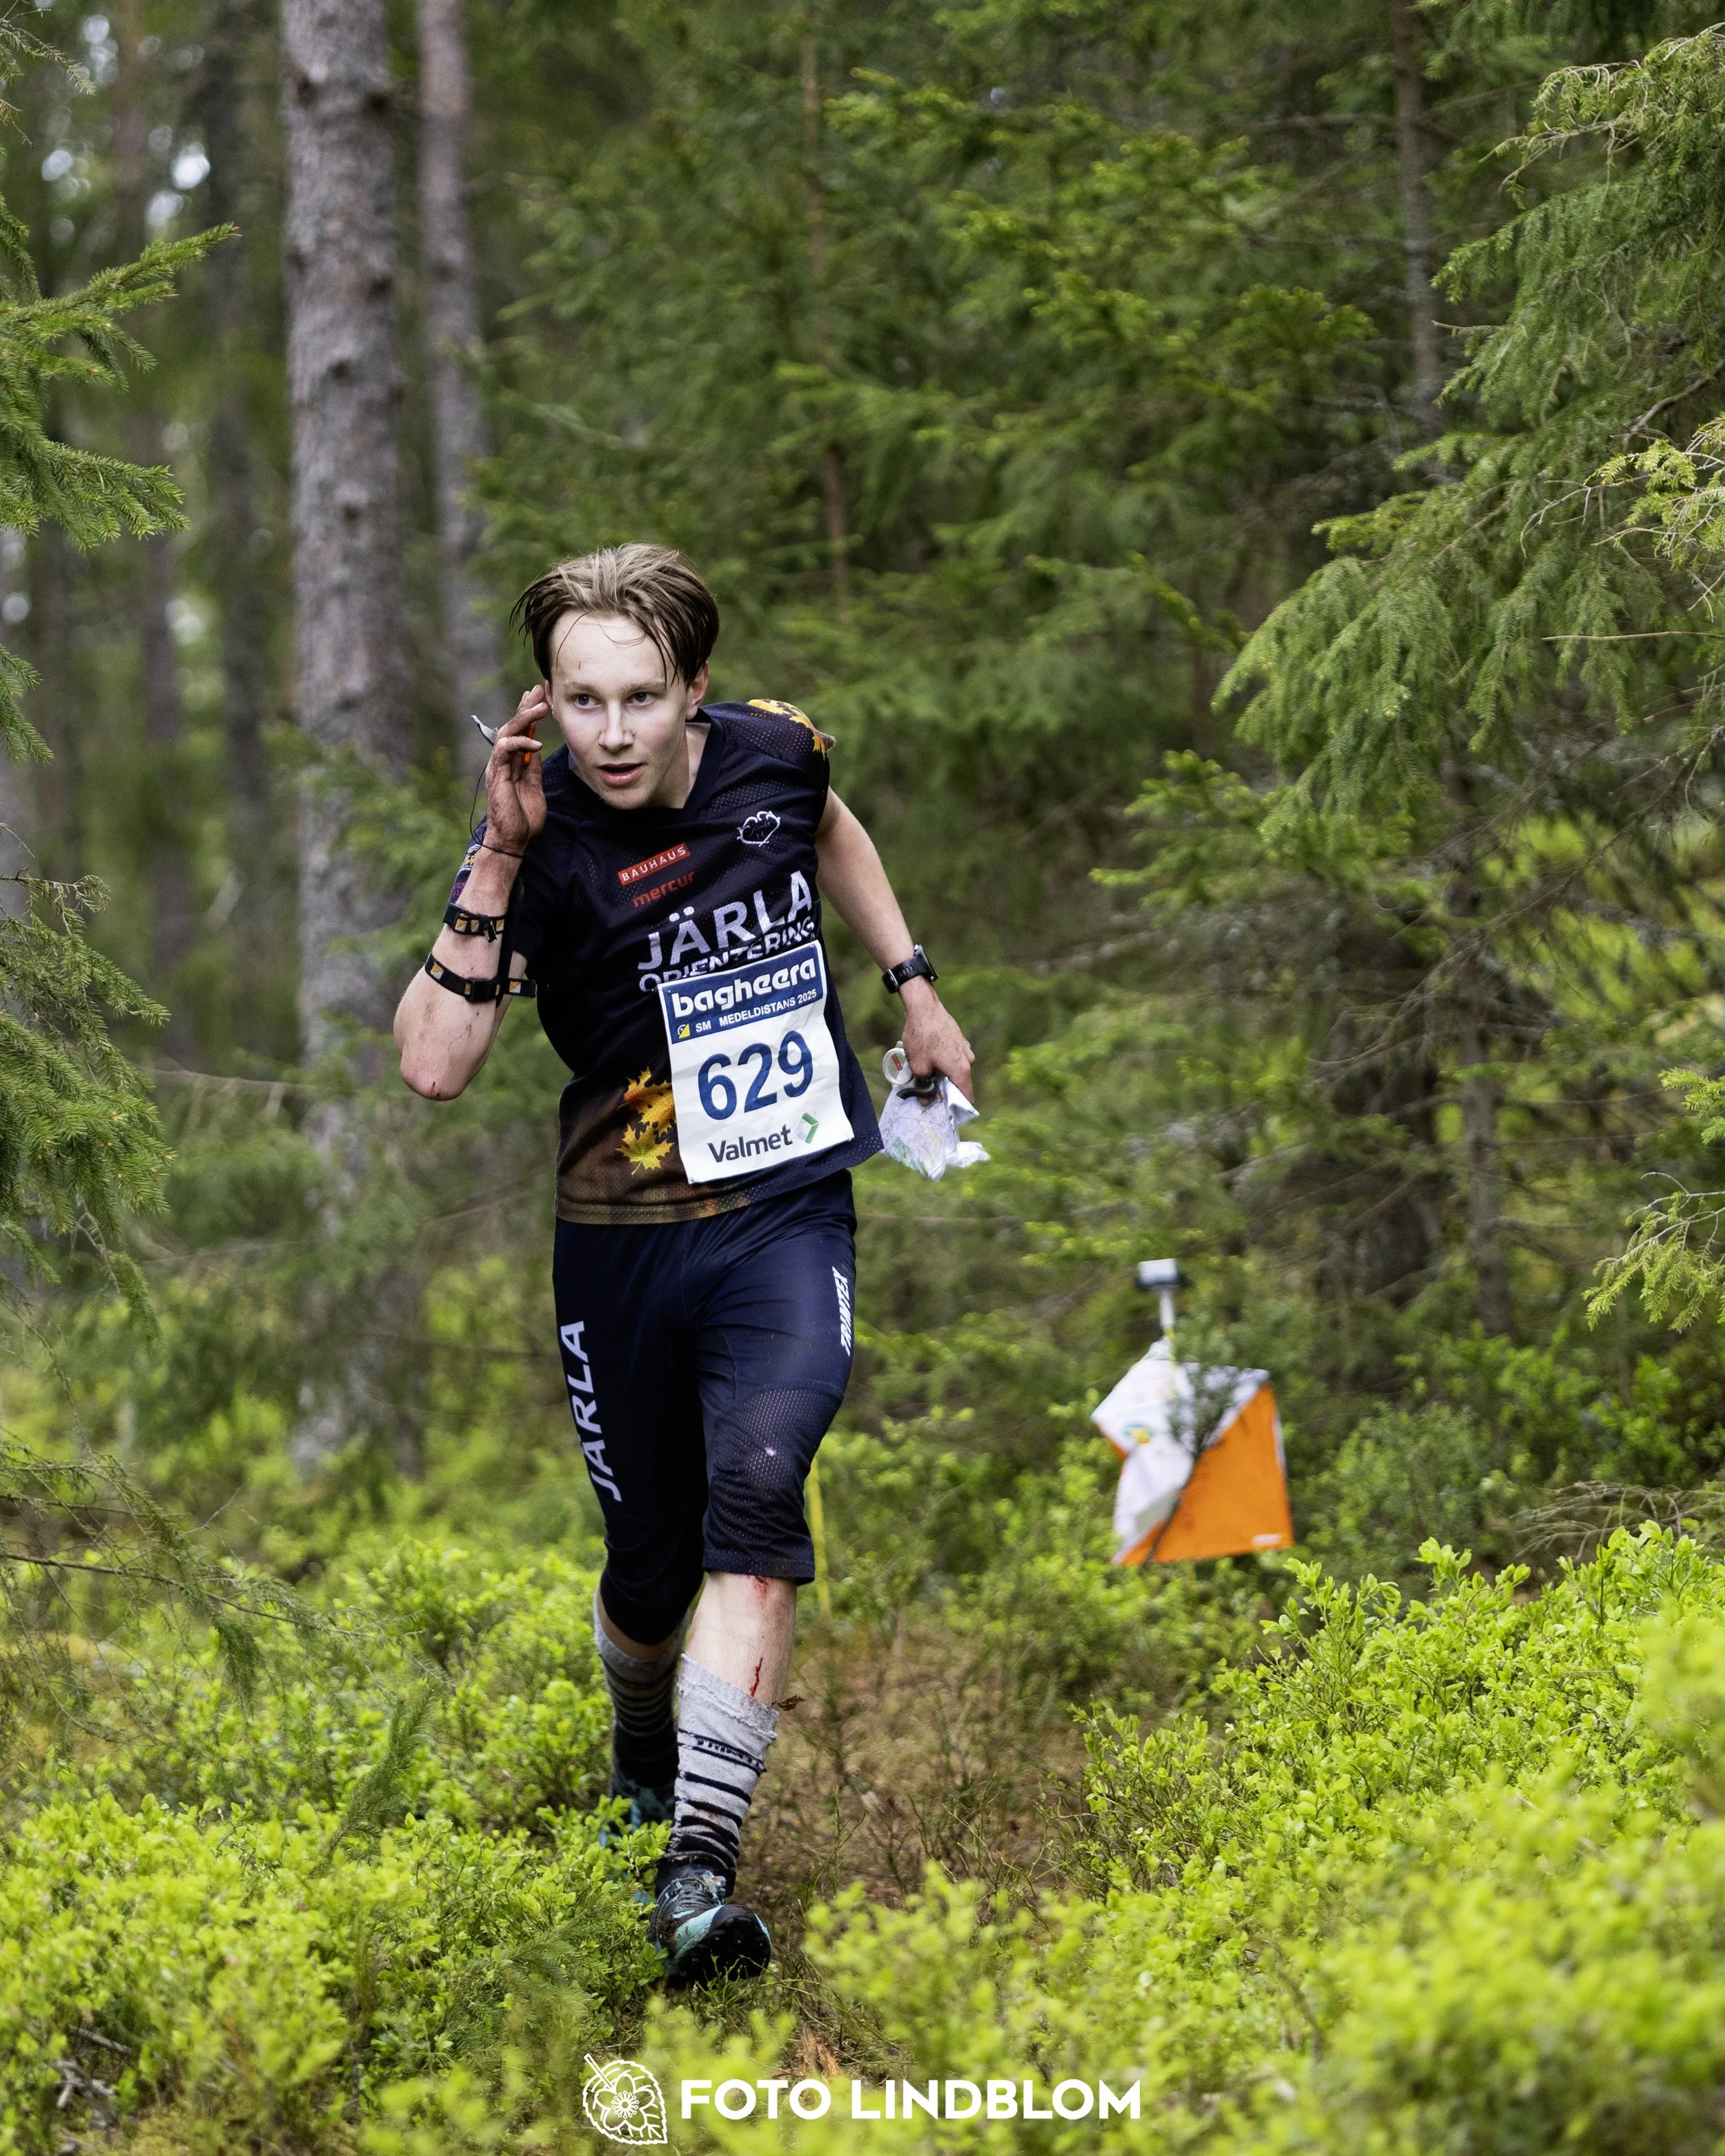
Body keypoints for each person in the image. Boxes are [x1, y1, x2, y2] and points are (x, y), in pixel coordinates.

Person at [394, 544, 974, 1984]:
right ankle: (639, 1754)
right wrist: (499, 851)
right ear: (546, 700)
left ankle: (696, 1873)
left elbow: (828, 823)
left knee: (758, 1491)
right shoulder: (538, 840)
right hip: (620, 1241)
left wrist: (910, 980)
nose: (609, 732)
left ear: (692, 689)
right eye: (581, 699)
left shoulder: (771, 755)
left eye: (640, 698)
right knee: (646, 1571)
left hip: (785, 1211)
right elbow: (431, 1063)